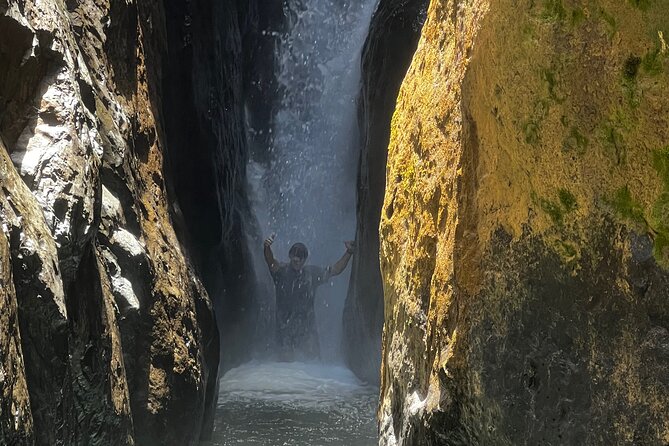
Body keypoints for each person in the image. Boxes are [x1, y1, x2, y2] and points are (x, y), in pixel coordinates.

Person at [263, 234, 355, 360]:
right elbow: (270, 261)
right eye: (294, 257)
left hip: (306, 330)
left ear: (305, 259)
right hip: (284, 329)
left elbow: (335, 270)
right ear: (290, 256)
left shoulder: (311, 274)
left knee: (313, 362)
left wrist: (349, 252)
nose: (297, 260)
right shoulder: (281, 272)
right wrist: (267, 247)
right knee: (285, 366)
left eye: (300, 258)